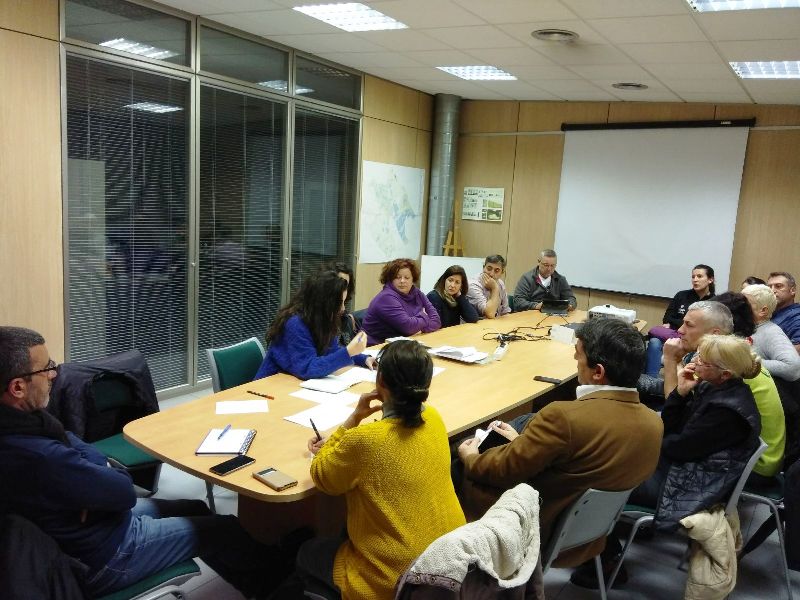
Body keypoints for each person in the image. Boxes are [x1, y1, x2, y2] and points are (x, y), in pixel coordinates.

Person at [0, 326, 284, 598]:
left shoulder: (25, 424)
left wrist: (92, 482)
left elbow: (73, 440)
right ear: (17, 388)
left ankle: (257, 581)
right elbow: (124, 490)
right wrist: (102, 473)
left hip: (87, 527)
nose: (53, 374)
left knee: (196, 506)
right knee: (226, 530)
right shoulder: (40, 455)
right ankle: (275, 586)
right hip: (105, 555)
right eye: (45, 367)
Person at [456, 318, 663, 568]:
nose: (576, 365)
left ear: (597, 371)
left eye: (577, 358)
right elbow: (576, 463)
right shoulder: (654, 424)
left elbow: (502, 471)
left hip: (540, 531)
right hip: (591, 535)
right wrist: (523, 443)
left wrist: (471, 457)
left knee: (456, 463)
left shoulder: (564, 417)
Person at [299, 340, 465, 600]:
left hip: (394, 580)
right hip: (446, 567)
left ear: (381, 382)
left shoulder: (366, 440)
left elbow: (322, 476)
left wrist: (352, 420)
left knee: (307, 551)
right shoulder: (434, 417)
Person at [255, 271, 374, 380]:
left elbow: (332, 351)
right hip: (271, 386)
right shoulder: (295, 323)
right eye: (339, 303)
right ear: (323, 303)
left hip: (295, 384)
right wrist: (348, 352)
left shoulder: (323, 319)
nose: (343, 308)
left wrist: (363, 359)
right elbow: (307, 368)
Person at [644, 264, 715, 376]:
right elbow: (667, 318)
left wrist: (674, 322)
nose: (695, 280)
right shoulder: (681, 295)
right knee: (654, 342)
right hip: (673, 337)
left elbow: (704, 327)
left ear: (710, 279)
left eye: (699, 276)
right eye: (693, 277)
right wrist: (687, 324)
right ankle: (650, 379)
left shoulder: (714, 302)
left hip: (695, 342)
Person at [361, 258, 441, 345]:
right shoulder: (386, 298)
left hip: (402, 345)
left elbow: (436, 321)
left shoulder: (417, 293)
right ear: (390, 279)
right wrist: (424, 315)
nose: (402, 281)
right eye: (397, 277)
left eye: (407, 277)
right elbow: (408, 327)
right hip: (376, 347)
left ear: (412, 279)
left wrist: (418, 329)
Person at [742, 284, 800, 382]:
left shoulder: (771, 332)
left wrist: (747, 363)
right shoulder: (745, 327)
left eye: (745, 303)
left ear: (763, 310)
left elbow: (793, 368)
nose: (739, 306)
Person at [323, 261, 359, 346]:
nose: (342, 288)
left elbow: (347, 350)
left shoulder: (345, 318)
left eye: (346, 286)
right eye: (339, 284)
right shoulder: (319, 318)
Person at [465, 254, 511, 319]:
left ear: (502, 273)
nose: (491, 274)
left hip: (496, 324)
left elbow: (505, 312)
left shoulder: (500, 283)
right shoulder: (473, 285)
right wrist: (495, 288)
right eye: (489, 269)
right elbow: (490, 314)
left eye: (496, 271)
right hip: (475, 326)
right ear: (483, 267)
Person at [768, 271, 800, 353]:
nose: (772, 290)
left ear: (792, 290)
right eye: (769, 287)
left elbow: (794, 355)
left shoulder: (797, 317)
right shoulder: (767, 313)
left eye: (778, 286)